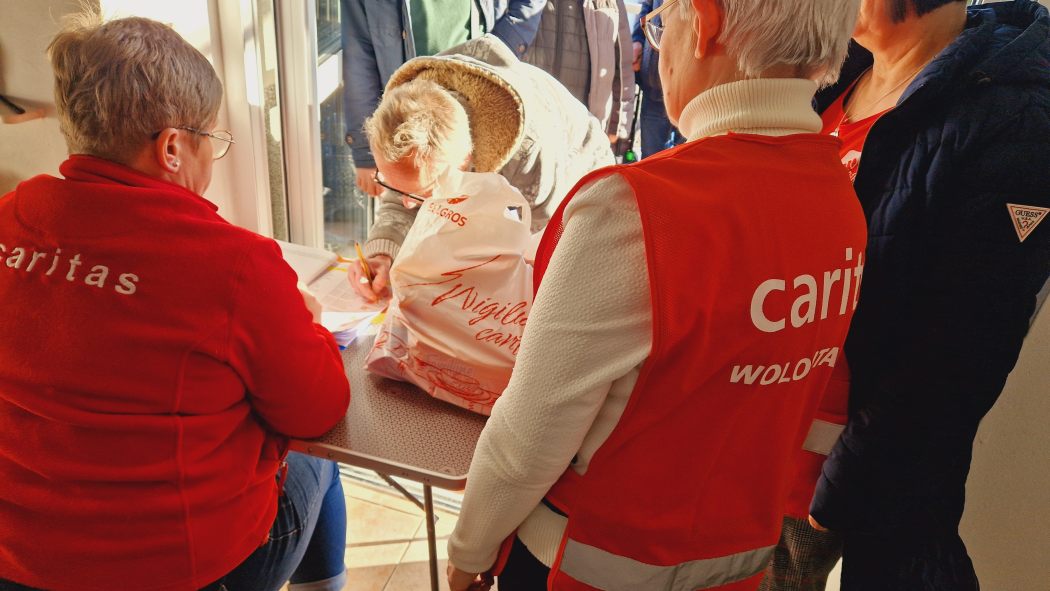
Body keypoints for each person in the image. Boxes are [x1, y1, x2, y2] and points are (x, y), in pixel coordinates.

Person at [444, 0, 866, 589]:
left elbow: (530, 434)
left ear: (706, 22)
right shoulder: (841, 198)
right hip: (736, 568)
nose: (659, 43)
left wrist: (470, 549)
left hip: (582, 565)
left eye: (661, 22)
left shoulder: (634, 210)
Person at [0, 14, 351, 591]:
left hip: (21, 558)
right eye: (211, 138)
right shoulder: (233, 264)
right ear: (171, 147)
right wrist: (308, 324)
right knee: (317, 458)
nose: (214, 155)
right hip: (182, 571)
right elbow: (317, 410)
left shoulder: (15, 214)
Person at [800, 1, 1050, 589]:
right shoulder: (833, 71)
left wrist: (841, 487)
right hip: (772, 423)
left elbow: (961, 349)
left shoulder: (1014, 115)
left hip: (856, 458)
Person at [348, 34, 614, 301]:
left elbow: (536, 250)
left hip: (577, 184)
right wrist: (383, 253)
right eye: (389, 183)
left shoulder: (529, 156)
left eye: (421, 194)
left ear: (465, 161)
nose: (407, 204)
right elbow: (405, 187)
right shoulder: (414, 121)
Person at [342, 0, 547, 197]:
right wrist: (365, 151)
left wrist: (495, 53)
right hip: (410, 125)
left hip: (478, 105)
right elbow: (358, 52)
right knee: (417, 200)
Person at [522, 0, 637, 155]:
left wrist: (618, 125)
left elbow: (622, 64)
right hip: (529, 126)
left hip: (584, 134)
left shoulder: (609, 3)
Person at [632, 0, 686, 158]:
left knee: (683, 164)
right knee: (650, 159)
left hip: (691, 92)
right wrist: (637, 40)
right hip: (654, 83)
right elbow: (647, 8)